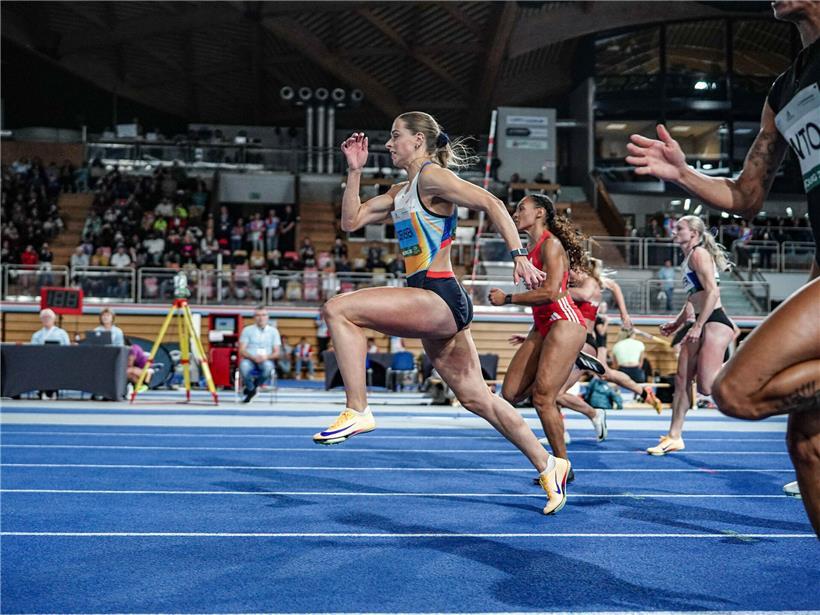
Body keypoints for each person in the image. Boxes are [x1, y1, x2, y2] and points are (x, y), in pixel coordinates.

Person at [313, 112, 571, 516]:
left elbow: (492, 202)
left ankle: (358, 408)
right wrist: (354, 171)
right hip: (428, 299)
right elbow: (352, 221)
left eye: (395, 136)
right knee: (476, 399)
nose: (388, 143)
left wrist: (518, 256)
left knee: (339, 309)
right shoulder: (401, 190)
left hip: (440, 295)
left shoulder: (432, 178)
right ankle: (549, 464)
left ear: (418, 141)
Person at [625, 0, 819, 533]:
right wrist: (684, 175)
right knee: (805, 440)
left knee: (734, 391)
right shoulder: (783, 91)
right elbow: (746, 195)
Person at [488, 193, 587, 487]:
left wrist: (507, 298)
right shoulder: (527, 251)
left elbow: (553, 293)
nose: (516, 213)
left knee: (543, 398)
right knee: (510, 393)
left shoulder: (551, 245)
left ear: (540, 213)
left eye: (521, 209)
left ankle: (561, 466)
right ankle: (560, 364)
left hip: (565, 321)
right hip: (542, 326)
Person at [647, 216, 736, 455]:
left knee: (707, 387)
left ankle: (747, 360)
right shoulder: (688, 258)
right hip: (700, 321)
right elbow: (693, 297)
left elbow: (713, 293)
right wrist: (677, 324)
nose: (674, 231)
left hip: (714, 322)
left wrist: (698, 326)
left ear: (694, 234)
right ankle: (674, 436)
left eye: (679, 228)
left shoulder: (699, 254)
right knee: (682, 379)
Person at [238, 306, 281, 402]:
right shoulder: (247, 330)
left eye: (263, 315)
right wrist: (253, 358)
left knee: (268, 368)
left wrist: (266, 357)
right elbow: (242, 350)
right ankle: (251, 388)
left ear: (267, 317)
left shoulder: (274, 331)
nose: (261, 318)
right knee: (243, 367)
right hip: (250, 358)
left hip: (266, 359)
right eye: (258, 315)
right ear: (254, 317)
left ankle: (253, 388)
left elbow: (277, 353)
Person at [31, 308, 70, 400]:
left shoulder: (62, 333)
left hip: (58, 361)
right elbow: (32, 350)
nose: (46, 319)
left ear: (54, 319)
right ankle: (42, 391)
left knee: (54, 367)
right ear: (41, 320)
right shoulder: (36, 335)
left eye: (49, 317)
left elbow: (68, 348)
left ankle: (54, 391)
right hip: (41, 361)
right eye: (44, 318)